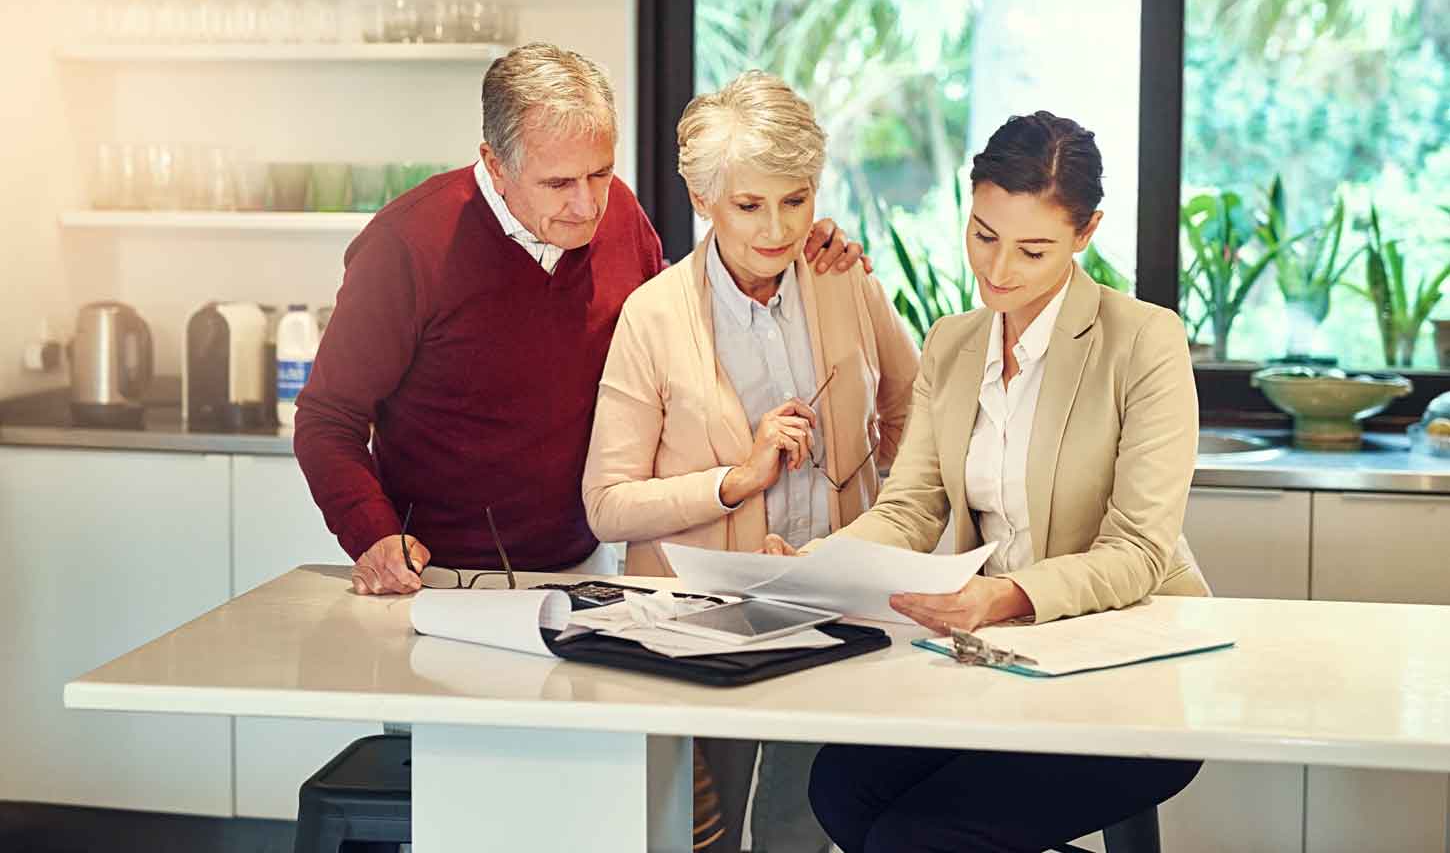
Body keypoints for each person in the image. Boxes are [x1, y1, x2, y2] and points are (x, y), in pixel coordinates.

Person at [763, 111, 1210, 853]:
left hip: (1128, 666)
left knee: (920, 835)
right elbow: (909, 508)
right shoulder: (954, 342)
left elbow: (1138, 550)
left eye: (1033, 249)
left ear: (1085, 233)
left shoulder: (1143, 341)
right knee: (839, 788)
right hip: (1002, 664)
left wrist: (1006, 596)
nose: (998, 270)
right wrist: (821, 563)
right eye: (983, 235)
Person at [293, 43, 865, 596]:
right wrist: (373, 535)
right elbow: (326, 419)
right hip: (439, 572)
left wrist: (800, 247)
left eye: (600, 173)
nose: (589, 205)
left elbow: (675, 323)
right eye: (559, 183)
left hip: (587, 563)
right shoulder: (406, 245)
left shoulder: (622, 218)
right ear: (495, 165)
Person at [581, 71, 920, 853]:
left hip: (838, 614)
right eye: (749, 204)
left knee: (812, 826)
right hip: (698, 632)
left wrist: (894, 527)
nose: (778, 229)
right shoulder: (653, 316)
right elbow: (607, 502)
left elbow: (914, 415)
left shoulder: (844, 280)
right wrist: (736, 480)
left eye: (796, 200)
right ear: (703, 199)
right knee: (704, 834)